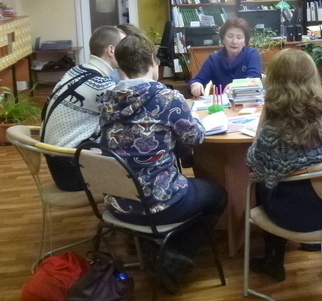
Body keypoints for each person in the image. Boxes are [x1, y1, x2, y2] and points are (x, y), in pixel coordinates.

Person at [97, 33, 227, 294]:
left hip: (118, 203)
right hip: (159, 204)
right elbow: (195, 137)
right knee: (218, 195)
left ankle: (150, 244)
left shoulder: (107, 99)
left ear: (120, 64)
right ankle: (173, 256)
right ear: (152, 62)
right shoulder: (167, 98)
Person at [246, 49, 322, 282]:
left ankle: (273, 260)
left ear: (274, 80)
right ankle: (320, 244)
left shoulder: (275, 128)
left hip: (296, 217)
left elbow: (253, 163)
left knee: (262, 183)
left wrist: (263, 119)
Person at [41, 25, 125, 191]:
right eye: (124, 48)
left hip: (59, 162)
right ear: (111, 50)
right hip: (73, 171)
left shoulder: (76, 71)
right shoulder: (101, 85)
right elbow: (134, 114)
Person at [188, 17, 262, 97]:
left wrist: (236, 85)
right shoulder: (214, 59)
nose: (234, 41)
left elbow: (254, 78)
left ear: (245, 41)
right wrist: (195, 85)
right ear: (223, 39)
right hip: (223, 103)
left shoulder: (252, 54)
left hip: (248, 101)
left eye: (239, 37)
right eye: (230, 36)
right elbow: (198, 80)